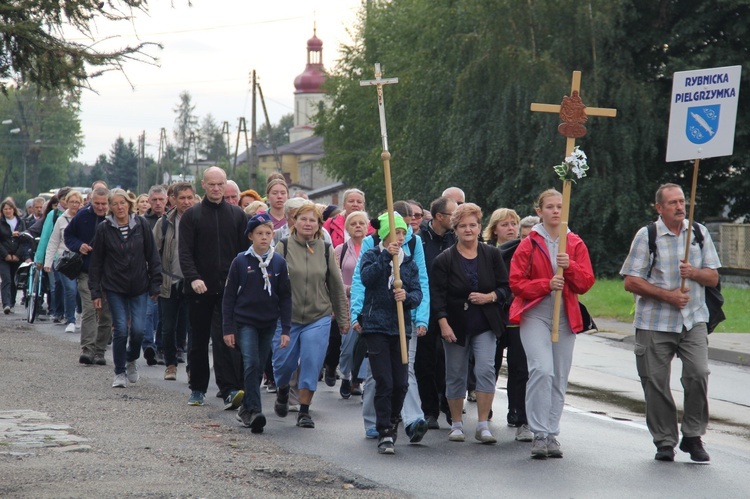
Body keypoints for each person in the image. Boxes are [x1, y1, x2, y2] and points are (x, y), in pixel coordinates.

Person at [620, 183, 719, 463]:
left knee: (698, 374)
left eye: (682, 202)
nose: (679, 207)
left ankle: (692, 436)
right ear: (659, 207)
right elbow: (631, 280)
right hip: (655, 322)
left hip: (693, 320)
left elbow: (713, 277)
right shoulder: (647, 235)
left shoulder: (698, 233)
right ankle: (665, 440)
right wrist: (668, 296)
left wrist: (695, 272)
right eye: (673, 202)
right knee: (655, 382)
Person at [509, 189, 595, 459]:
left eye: (560, 206)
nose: (556, 211)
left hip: (565, 315)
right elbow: (516, 283)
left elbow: (586, 282)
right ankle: (538, 433)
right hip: (536, 314)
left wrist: (569, 267)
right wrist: (545, 284)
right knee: (542, 370)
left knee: (558, 375)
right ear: (539, 211)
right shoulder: (530, 243)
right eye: (550, 207)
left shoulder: (575, 243)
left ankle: (552, 435)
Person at [431, 203, 509, 444]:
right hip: (455, 325)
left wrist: (490, 297)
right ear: (455, 229)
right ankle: (456, 423)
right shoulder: (445, 259)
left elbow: (506, 287)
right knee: (455, 374)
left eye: (472, 225)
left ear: (479, 227)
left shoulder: (492, 255)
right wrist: (443, 324)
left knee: (485, 369)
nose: (468, 229)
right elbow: (437, 296)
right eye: (463, 225)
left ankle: (483, 424)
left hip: (485, 323)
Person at [272, 202, 349, 429]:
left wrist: (343, 320)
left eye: (312, 220)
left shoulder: (325, 249)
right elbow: (272, 283)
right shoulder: (283, 246)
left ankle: (304, 411)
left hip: (319, 316)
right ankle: (283, 390)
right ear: (294, 222)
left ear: (318, 224)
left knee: (311, 362)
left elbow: (335, 285)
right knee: (282, 364)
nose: (307, 223)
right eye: (302, 219)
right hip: (286, 318)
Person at [179, 166, 248, 407]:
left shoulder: (238, 215)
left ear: (226, 184)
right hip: (199, 290)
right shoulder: (192, 216)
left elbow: (244, 253)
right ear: (203, 185)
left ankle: (229, 389)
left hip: (229, 291)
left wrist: (242, 281)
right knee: (198, 340)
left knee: (226, 339)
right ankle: (197, 388)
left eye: (221, 184)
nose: (217, 189)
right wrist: (194, 277)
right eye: (212, 184)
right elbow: (185, 253)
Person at [358, 212, 422, 454]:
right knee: (384, 380)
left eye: (404, 233)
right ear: (385, 235)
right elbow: (367, 279)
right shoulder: (373, 255)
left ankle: (393, 422)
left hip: (400, 328)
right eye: (396, 232)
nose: (401, 237)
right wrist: (385, 257)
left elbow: (417, 293)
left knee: (401, 382)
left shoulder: (409, 263)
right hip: (376, 326)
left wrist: (407, 297)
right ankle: (384, 430)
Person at [222, 212, 292, 433]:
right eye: (259, 233)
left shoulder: (279, 263)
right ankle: (254, 411)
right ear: (250, 236)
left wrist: (286, 329)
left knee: (260, 365)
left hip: (268, 322)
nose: (264, 237)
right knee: (251, 363)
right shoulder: (241, 262)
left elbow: (286, 297)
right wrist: (228, 328)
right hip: (245, 322)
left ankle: (245, 408)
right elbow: (229, 297)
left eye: (268, 233)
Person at [88, 189, 162, 388]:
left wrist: (156, 284)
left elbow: (152, 256)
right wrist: (95, 292)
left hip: (139, 285)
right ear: (110, 207)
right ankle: (119, 371)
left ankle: (131, 359)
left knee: (138, 330)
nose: (119, 207)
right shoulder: (104, 229)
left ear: (129, 204)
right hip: (114, 287)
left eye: (123, 203)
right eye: (115, 204)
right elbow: (96, 263)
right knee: (120, 329)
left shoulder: (141, 225)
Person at [415, 195, 458, 429]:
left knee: (450, 361)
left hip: (452, 308)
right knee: (425, 361)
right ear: (440, 217)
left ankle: (450, 407)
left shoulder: (457, 239)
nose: (458, 218)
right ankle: (429, 410)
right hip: (426, 308)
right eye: (454, 214)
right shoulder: (419, 240)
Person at [497, 212, 539, 441]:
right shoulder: (506, 253)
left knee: (528, 368)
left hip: (535, 315)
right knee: (515, 367)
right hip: (508, 316)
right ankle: (514, 410)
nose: (527, 242)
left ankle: (524, 415)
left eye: (532, 237)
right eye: (524, 237)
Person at [65, 186, 113, 365]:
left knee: (106, 313)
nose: (100, 208)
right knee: (89, 308)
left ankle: (100, 351)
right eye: (96, 204)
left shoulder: (115, 218)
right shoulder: (83, 216)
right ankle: (88, 348)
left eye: (103, 204)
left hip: (109, 274)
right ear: (91, 201)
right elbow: (68, 235)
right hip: (87, 272)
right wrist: (79, 245)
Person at [153, 182, 195, 381]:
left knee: (192, 328)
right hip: (169, 281)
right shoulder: (164, 223)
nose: (186, 202)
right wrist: (154, 281)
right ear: (173, 199)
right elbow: (152, 253)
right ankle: (170, 363)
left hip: (194, 282)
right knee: (168, 327)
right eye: (182, 198)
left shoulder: (200, 219)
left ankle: (192, 367)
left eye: (189, 198)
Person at [334, 210, 369, 399]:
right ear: (347, 228)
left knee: (364, 344)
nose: (357, 226)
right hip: (346, 303)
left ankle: (357, 379)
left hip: (367, 303)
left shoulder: (373, 248)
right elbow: (332, 278)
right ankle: (345, 374)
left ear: (367, 227)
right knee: (347, 345)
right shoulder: (340, 250)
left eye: (361, 223)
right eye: (353, 223)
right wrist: (347, 289)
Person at [44, 190, 83, 332]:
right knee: (70, 289)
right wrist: (48, 262)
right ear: (67, 203)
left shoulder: (83, 218)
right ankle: (70, 320)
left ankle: (79, 312)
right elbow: (53, 241)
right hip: (65, 260)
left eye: (77, 202)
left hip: (80, 259)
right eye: (72, 202)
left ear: (81, 203)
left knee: (80, 290)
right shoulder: (61, 220)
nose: (74, 204)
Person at [141, 185, 168, 365]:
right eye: (154, 200)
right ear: (149, 201)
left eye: (161, 200)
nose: (158, 203)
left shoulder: (171, 220)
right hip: (146, 272)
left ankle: (160, 345)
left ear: (167, 200)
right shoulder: (142, 221)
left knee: (162, 313)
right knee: (148, 311)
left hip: (167, 273)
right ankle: (148, 345)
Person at [0, 198, 32, 313]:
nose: (8, 211)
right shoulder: (1, 223)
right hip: (3, 257)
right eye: (5, 209)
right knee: (6, 279)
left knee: (14, 280)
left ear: (14, 210)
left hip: (17, 256)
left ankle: (12, 303)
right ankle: (6, 304)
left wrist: (18, 255)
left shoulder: (20, 222)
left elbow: (24, 239)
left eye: (10, 209)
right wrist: (5, 254)